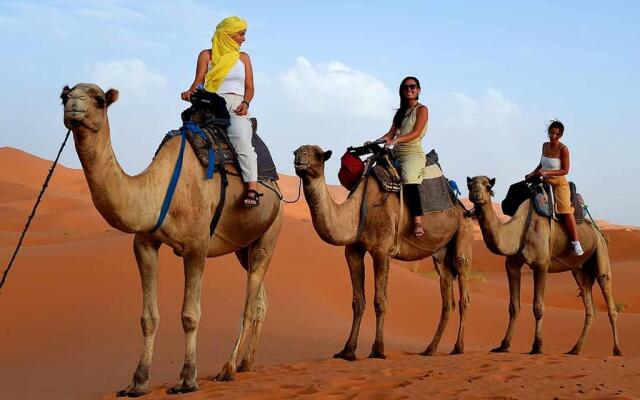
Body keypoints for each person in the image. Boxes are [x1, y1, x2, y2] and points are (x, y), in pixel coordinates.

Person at [181, 16, 261, 207]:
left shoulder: (243, 58)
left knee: (241, 140)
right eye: (241, 34)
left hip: (235, 106)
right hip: (210, 103)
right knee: (183, 138)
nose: (244, 39)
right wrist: (190, 91)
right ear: (227, 35)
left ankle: (253, 188)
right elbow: (199, 82)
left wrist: (246, 103)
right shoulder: (206, 55)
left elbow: (249, 87)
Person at [379, 76, 429, 237]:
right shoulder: (400, 113)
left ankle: (417, 221)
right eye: (406, 87)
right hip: (396, 152)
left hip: (412, 153)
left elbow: (416, 133)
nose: (409, 89)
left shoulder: (422, 110)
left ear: (418, 90)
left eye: (412, 86)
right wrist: (375, 141)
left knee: (408, 178)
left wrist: (397, 140)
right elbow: (390, 134)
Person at [526, 120, 584, 255]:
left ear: (561, 135)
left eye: (556, 134)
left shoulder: (563, 149)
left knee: (564, 209)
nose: (553, 136)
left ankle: (576, 242)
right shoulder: (544, 146)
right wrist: (533, 173)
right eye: (551, 133)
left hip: (559, 182)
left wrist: (547, 172)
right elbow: (541, 164)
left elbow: (565, 170)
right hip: (543, 181)